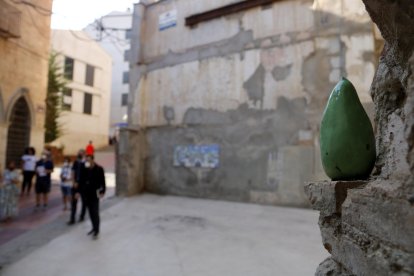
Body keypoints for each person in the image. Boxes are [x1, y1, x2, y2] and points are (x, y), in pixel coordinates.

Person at [77, 155, 105, 239]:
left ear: (93, 160)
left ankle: (97, 230)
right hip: (86, 193)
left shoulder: (99, 169)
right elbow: (81, 180)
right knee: (90, 212)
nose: (87, 162)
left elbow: (103, 181)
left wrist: (102, 191)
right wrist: (78, 191)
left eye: (89, 160)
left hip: (95, 193)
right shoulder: (84, 169)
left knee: (95, 212)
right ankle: (93, 227)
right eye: (86, 160)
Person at [67, 149, 86, 225]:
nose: (79, 154)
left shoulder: (86, 163)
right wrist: (73, 182)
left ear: (84, 154)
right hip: (76, 185)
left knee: (84, 202)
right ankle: (72, 218)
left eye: (81, 153)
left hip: (84, 186)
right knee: (74, 202)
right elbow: (73, 172)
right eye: (79, 153)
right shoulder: (76, 162)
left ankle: (82, 216)